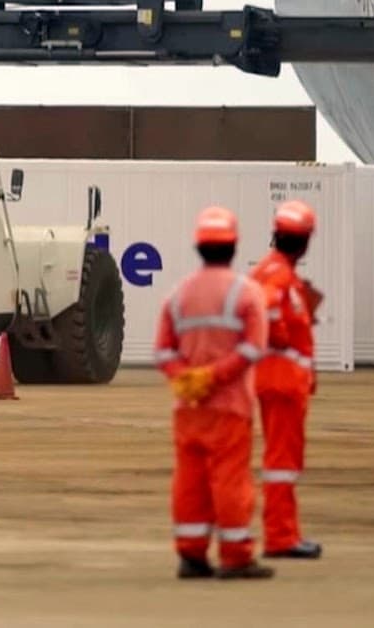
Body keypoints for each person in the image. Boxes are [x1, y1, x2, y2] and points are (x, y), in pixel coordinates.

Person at [154, 206, 274, 581]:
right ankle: (236, 555)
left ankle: (191, 556)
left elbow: (162, 351)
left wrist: (186, 377)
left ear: (198, 246)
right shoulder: (246, 293)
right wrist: (214, 376)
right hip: (230, 407)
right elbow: (253, 348)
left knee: (189, 482)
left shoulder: (179, 294)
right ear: (234, 246)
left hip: (187, 407)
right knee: (230, 481)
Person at [249, 201, 323, 560]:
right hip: (281, 383)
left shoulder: (275, 271)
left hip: (279, 381)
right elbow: (263, 310)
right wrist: (278, 333)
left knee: (284, 461)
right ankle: (281, 536)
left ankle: (286, 532)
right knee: (282, 462)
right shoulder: (277, 275)